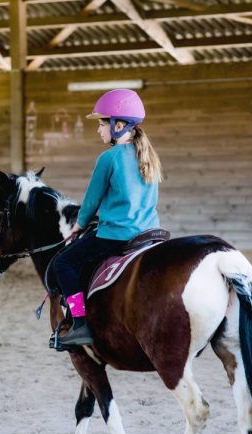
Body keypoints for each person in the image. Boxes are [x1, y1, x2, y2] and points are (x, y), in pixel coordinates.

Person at [53, 88, 163, 347]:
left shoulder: (109, 158)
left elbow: (92, 200)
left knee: (63, 264)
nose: (99, 130)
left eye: (102, 124)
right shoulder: (149, 157)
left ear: (119, 125)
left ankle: (79, 322)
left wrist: (79, 225)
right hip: (149, 233)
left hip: (117, 235)